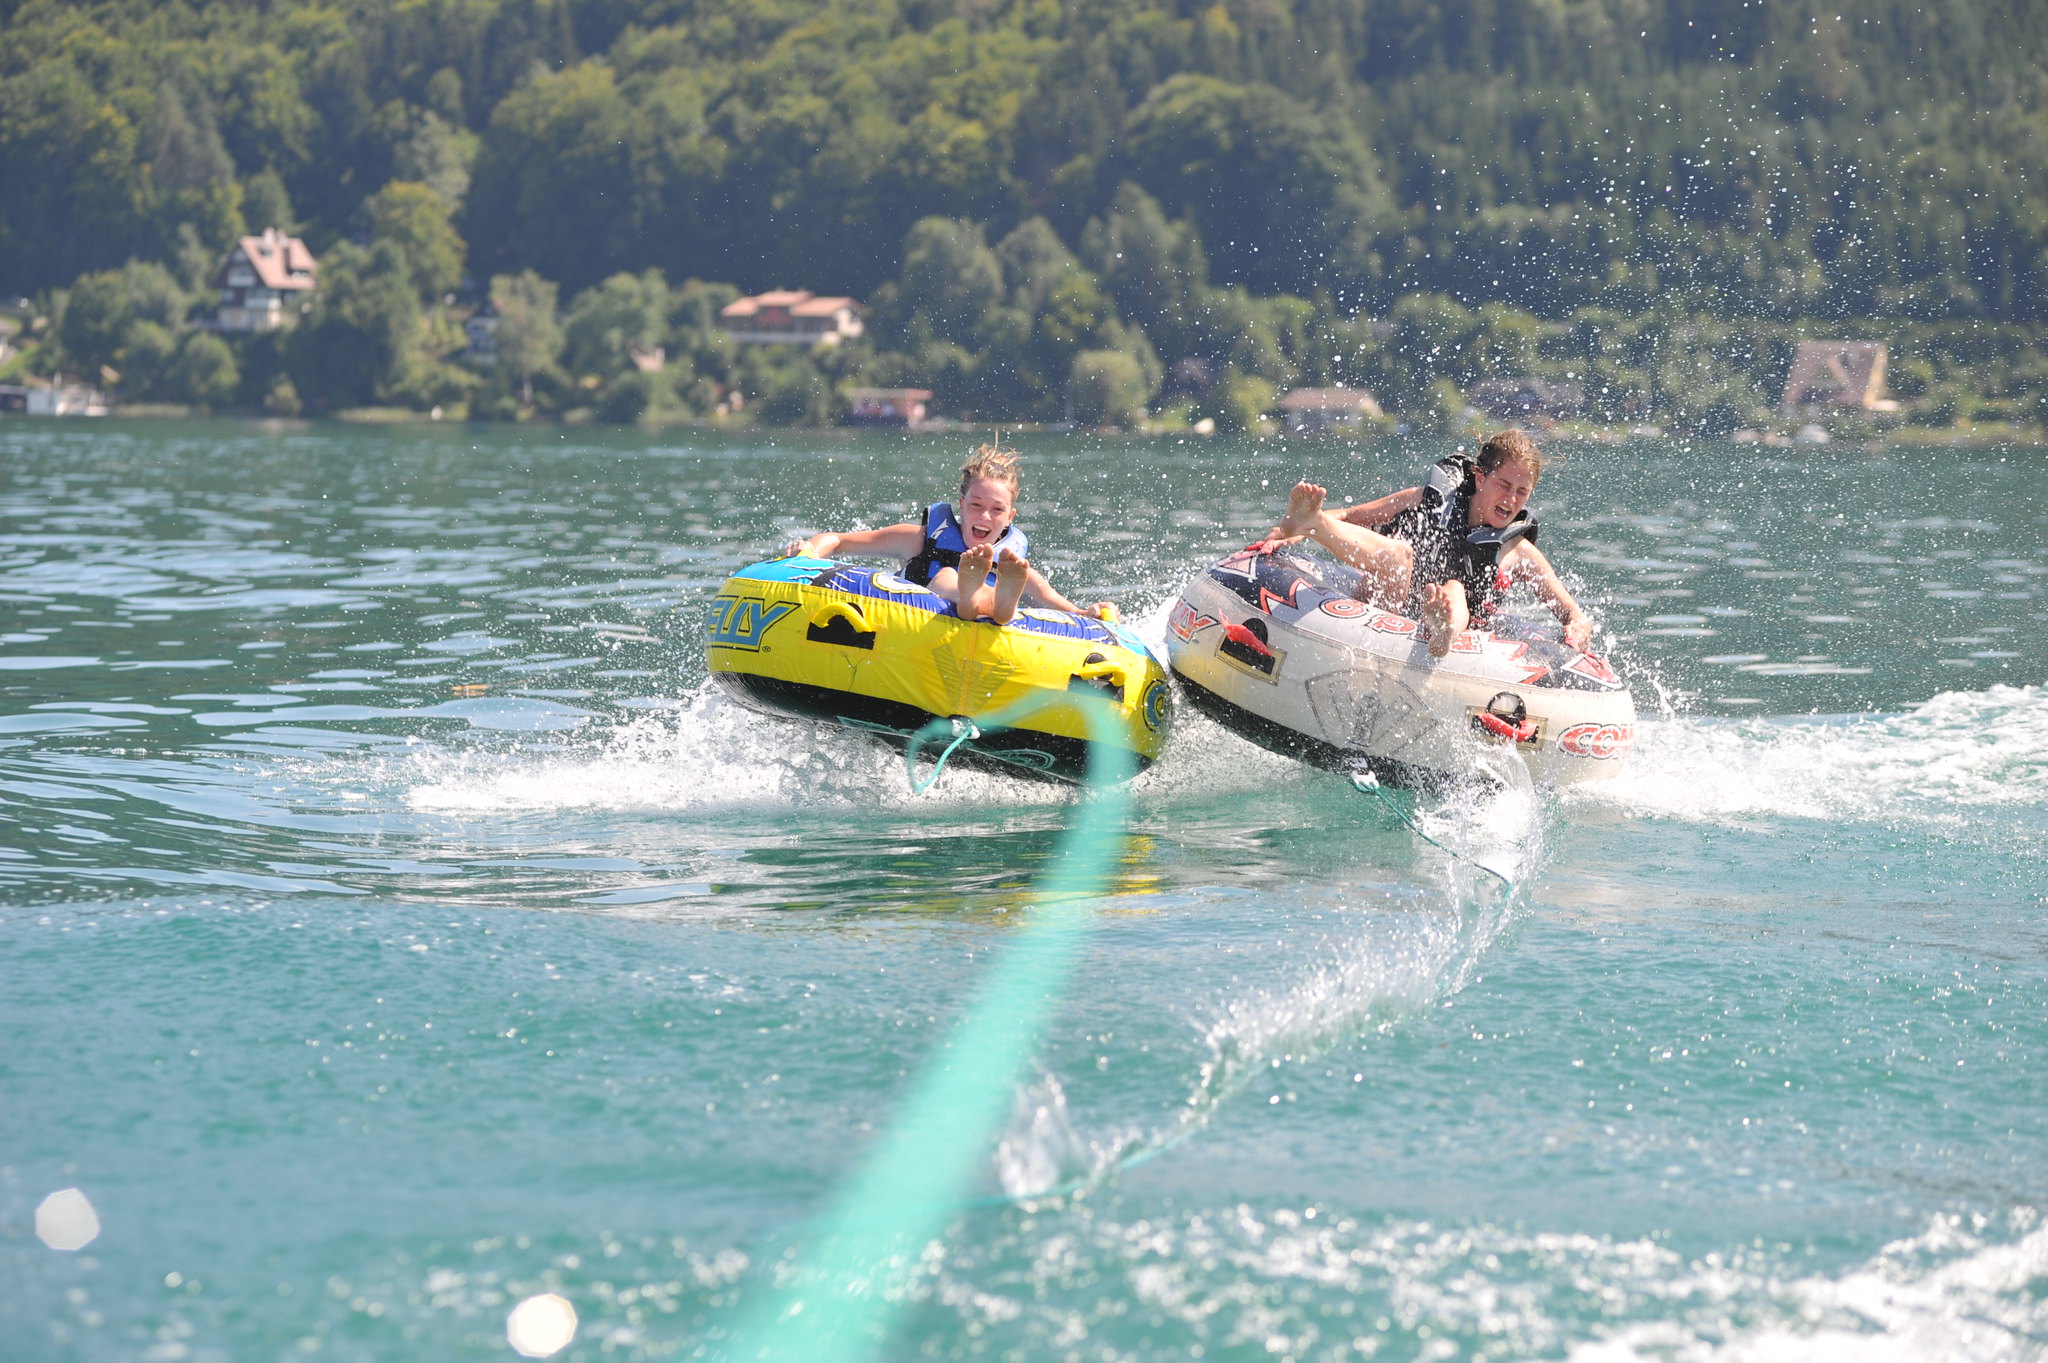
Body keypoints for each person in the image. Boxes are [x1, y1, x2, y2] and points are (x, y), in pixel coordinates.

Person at [1261, 429, 1592, 659]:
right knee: (1399, 554)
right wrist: (1292, 531)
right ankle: (1314, 524)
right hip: (1379, 611)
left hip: (1456, 633)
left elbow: (1569, 609)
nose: (1511, 499)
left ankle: (1444, 630)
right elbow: (1351, 516)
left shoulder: (1518, 550)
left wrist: (1577, 627)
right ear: (1480, 477)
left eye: (1522, 492)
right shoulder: (1427, 501)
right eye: (1504, 485)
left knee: (1455, 590)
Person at [782, 444, 1113, 625]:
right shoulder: (921, 539)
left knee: (1006, 585)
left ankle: (990, 602)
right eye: (976, 505)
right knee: (944, 579)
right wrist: (809, 551)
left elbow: (1054, 602)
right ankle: (986, 601)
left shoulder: (1011, 562)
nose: (984, 517)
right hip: (917, 615)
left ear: (1010, 517)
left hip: (982, 614)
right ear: (961, 505)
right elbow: (839, 540)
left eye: (997, 510)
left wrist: (1088, 614)